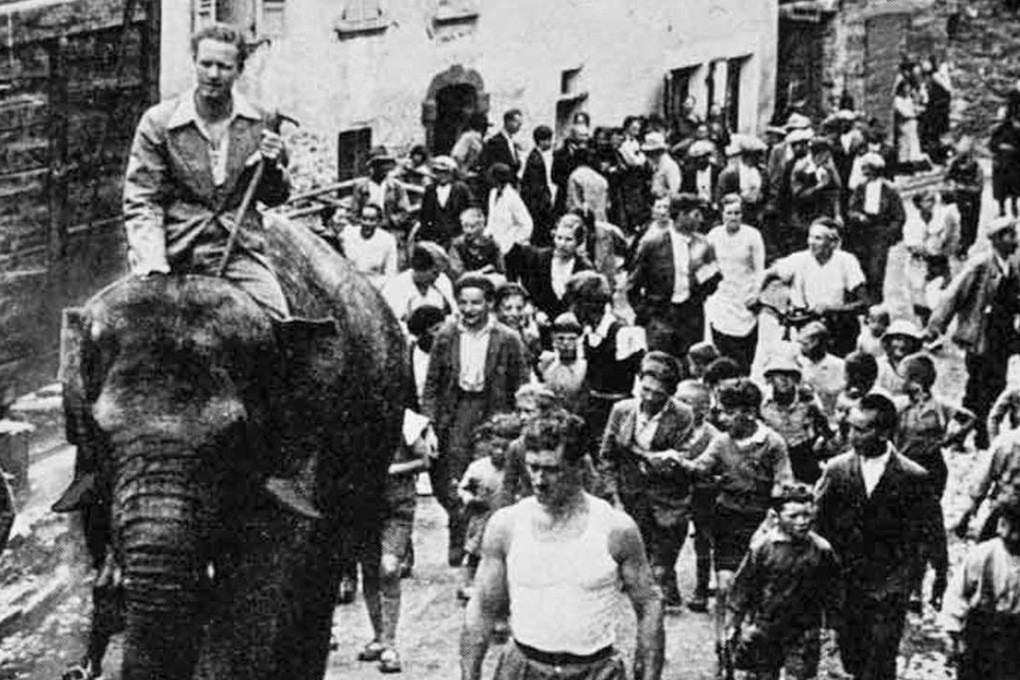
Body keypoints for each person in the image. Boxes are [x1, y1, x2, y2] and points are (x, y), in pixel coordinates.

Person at [460, 411, 665, 680]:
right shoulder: (507, 525)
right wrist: (469, 675)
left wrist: (649, 674)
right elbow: (482, 607)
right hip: (522, 667)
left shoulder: (615, 528)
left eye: (551, 470)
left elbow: (649, 604)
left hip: (595, 670)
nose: (538, 480)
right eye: (533, 467)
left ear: (580, 467)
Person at [123, 23, 294, 320]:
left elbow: (275, 196)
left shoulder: (260, 121)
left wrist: (273, 165)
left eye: (224, 67)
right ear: (195, 62)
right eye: (206, 64)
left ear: (239, 70)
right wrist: (153, 262)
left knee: (278, 322)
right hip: (175, 252)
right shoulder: (159, 122)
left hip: (239, 251)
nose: (213, 74)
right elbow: (142, 200)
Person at [815, 394, 948, 680]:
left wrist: (938, 573)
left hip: (890, 582)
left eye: (861, 429)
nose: (851, 436)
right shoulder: (837, 470)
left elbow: (931, 529)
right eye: (850, 427)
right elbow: (818, 524)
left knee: (881, 656)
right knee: (851, 655)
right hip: (847, 581)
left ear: (884, 433)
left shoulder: (913, 476)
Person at [676, 379, 793, 671]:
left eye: (728, 412)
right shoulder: (721, 442)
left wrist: (775, 510)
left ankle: (752, 649)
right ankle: (723, 647)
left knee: (756, 592)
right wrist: (676, 462)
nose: (721, 417)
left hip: (760, 523)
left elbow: (784, 482)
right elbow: (701, 467)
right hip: (727, 521)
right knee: (726, 587)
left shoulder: (772, 443)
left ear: (749, 413)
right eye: (720, 410)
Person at [423, 274, 529, 566]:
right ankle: (458, 534)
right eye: (463, 303)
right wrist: (430, 424)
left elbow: (521, 384)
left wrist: (518, 422)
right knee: (454, 478)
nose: (468, 309)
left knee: (489, 477)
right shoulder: (446, 335)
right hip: (457, 412)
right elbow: (432, 384)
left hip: (494, 413)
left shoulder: (507, 338)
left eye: (475, 303)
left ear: (489, 304)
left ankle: (485, 545)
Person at [599, 351, 696, 607]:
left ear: (670, 393)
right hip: (631, 496)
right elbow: (607, 457)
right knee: (635, 558)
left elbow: (686, 457)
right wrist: (614, 497)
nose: (650, 397)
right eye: (646, 389)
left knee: (662, 562)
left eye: (659, 393)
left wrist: (667, 461)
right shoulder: (621, 410)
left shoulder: (683, 415)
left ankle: (662, 591)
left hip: (667, 500)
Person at [725, 483, 841, 680]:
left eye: (807, 514)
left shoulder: (821, 550)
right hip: (767, 627)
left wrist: (832, 628)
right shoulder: (763, 548)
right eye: (793, 516)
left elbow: (833, 591)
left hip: (804, 630)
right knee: (763, 673)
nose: (802, 521)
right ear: (777, 517)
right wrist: (734, 625)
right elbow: (743, 587)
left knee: (800, 675)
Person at [927, 216, 1020, 450]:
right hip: (981, 335)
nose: (1016, 240)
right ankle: (963, 433)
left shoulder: (1011, 265)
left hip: (1002, 336)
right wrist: (936, 326)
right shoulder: (980, 264)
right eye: (1011, 235)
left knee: (995, 384)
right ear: (997, 239)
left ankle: (980, 433)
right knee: (977, 387)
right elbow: (953, 294)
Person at [354, 411, 436, 674]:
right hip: (365, 505)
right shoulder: (355, 417)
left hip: (397, 507)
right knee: (369, 569)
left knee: (388, 569)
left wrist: (390, 470)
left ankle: (390, 644)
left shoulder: (405, 420)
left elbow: (425, 460)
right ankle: (379, 637)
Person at [628, 193, 722, 358]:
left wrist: (699, 292)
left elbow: (713, 279)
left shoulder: (704, 244)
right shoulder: (653, 244)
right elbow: (633, 286)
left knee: (689, 364)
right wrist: (647, 315)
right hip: (660, 317)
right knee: (660, 363)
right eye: (696, 215)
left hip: (691, 318)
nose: (701, 220)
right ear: (681, 215)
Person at [761, 218, 868, 357]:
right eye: (810, 237)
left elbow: (864, 302)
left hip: (835, 328)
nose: (811, 242)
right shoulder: (798, 259)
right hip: (803, 326)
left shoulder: (846, 261)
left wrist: (831, 308)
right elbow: (769, 274)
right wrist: (757, 296)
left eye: (818, 238)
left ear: (833, 243)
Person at [566, 271, 645, 453]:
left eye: (576, 304)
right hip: (593, 410)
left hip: (618, 413)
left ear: (590, 305)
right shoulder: (587, 333)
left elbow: (640, 379)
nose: (572, 310)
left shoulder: (623, 333)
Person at [943, 497, 1020, 680]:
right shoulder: (984, 553)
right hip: (981, 630)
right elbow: (957, 594)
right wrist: (954, 634)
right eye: (1008, 524)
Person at [457, 414, 522, 602]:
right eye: (495, 446)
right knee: (473, 552)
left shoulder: (516, 470)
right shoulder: (478, 467)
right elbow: (463, 488)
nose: (499, 452)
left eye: (505, 448)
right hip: (482, 517)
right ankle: (467, 584)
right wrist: (469, 499)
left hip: (506, 518)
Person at [896, 352, 974, 498]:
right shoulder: (899, 404)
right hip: (903, 465)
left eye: (902, 377)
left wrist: (952, 439)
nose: (898, 381)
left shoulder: (939, 405)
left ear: (915, 381)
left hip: (930, 467)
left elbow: (970, 419)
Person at [672, 379, 720, 612]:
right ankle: (669, 586)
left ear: (703, 409)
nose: (677, 406)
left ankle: (701, 588)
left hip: (704, 494)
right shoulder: (671, 430)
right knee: (671, 538)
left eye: (685, 402)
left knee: (704, 540)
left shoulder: (714, 436)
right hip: (674, 493)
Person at [705, 195, 766, 373]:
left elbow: (759, 269)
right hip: (722, 297)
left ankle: (744, 377)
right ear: (722, 214)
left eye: (737, 213)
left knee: (745, 350)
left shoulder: (753, 235)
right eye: (729, 213)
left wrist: (756, 294)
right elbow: (707, 265)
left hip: (745, 296)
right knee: (723, 345)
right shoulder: (714, 235)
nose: (733, 217)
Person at [505, 213, 594, 326]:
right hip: (539, 322)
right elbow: (529, 293)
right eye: (559, 238)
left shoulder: (584, 267)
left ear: (578, 242)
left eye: (568, 240)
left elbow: (586, 302)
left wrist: (572, 315)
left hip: (570, 326)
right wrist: (536, 312)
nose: (562, 244)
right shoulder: (539, 259)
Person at [760, 354, 833, 484]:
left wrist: (820, 441)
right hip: (773, 456)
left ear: (795, 378)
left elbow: (825, 428)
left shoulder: (808, 398)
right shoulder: (762, 399)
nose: (784, 380)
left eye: (789, 375)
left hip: (803, 455)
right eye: (779, 375)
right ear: (771, 378)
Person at [845, 152, 906, 303]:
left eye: (867, 167)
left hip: (880, 231)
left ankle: (876, 302)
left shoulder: (889, 189)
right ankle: (863, 302)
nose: (864, 171)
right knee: (862, 268)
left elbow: (899, 215)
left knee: (876, 271)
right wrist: (858, 216)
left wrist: (889, 233)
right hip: (863, 232)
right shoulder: (860, 188)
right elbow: (851, 209)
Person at [901, 188, 958, 325]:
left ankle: (941, 324)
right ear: (919, 204)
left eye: (933, 200)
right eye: (927, 200)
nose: (931, 203)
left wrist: (943, 249)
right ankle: (925, 323)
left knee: (944, 294)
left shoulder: (941, 217)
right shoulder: (912, 222)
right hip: (920, 264)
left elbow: (950, 238)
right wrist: (925, 250)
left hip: (939, 262)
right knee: (920, 296)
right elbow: (911, 245)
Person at [954, 430, 1020, 541]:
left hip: (1006, 507)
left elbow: (983, 478)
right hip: (1007, 507)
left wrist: (968, 513)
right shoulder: (1008, 441)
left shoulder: (1007, 440)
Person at [382, 242, 456, 329]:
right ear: (420, 268)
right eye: (434, 272)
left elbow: (454, 313)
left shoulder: (442, 281)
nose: (437, 277)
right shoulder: (395, 287)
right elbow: (391, 322)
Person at [351, 146, 412, 238]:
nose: (384, 168)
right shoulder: (362, 187)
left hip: (390, 229)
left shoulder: (396, 187)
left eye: (386, 164)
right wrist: (366, 223)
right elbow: (354, 213)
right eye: (380, 165)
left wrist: (390, 220)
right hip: (366, 229)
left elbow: (404, 211)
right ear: (373, 167)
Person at [417, 155, 475, 251]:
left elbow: (470, 211)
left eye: (445, 172)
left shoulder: (461, 189)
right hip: (435, 239)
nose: (442, 176)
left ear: (452, 173)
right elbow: (424, 216)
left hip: (457, 238)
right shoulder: (430, 191)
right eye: (438, 172)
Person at [538, 313, 589, 415]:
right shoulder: (547, 363)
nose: (565, 343)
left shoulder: (585, 366)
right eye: (561, 338)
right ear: (554, 340)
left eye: (571, 339)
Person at [340, 203, 398, 290]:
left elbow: (391, 274)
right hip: (347, 284)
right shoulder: (348, 234)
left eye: (372, 220)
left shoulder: (388, 240)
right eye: (364, 219)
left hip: (373, 287)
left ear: (379, 221)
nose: (367, 223)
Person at [795, 321, 846, 418]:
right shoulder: (797, 364)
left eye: (806, 344)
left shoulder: (839, 366)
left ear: (819, 343)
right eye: (802, 344)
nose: (802, 348)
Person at [945, 137, 984, 258]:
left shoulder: (976, 167)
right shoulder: (954, 164)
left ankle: (966, 248)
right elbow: (947, 178)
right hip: (957, 199)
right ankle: (958, 247)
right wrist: (950, 185)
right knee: (957, 224)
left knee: (970, 225)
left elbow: (978, 187)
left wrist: (961, 187)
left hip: (972, 200)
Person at [717, 135, 767, 228]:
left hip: (756, 214)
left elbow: (766, 192)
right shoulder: (730, 173)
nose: (760, 158)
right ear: (748, 156)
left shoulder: (761, 172)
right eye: (758, 155)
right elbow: (721, 198)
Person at [485, 163, 533, 256]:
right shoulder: (493, 193)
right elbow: (491, 220)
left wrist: (514, 243)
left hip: (511, 249)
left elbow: (527, 225)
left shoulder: (512, 198)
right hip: (496, 245)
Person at [521, 125, 556, 246]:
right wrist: (546, 202)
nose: (550, 143)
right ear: (541, 141)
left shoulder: (535, 156)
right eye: (549, 140)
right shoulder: (536, 159)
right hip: (537, 205)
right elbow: (537, 187)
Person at [448, 207, 505, 280]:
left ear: (482, 227)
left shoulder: (493, 245)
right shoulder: (457, 245)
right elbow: (459, 274)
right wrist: (481, 272)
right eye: (465, 226)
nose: (468, 230)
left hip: (489, 282)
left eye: (472, 227)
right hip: (465, 283)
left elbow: (500, 272)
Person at [480, 109, 524, 187]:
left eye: (520, 123)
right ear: (508, 122)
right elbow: (488, 166)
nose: (519, 126)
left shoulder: (512, 143)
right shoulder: (494, 142)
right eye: (517, 122)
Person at [681, 140, 721, 224]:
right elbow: (684, 192)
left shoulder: (718, 171)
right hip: (696, 209)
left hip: (714, 209)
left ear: (708, 156)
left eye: (703, 157)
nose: (700, 160)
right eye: (697, 159)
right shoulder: (689, 173)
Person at [566, 147, 610, 222]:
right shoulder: (601, 179)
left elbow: (574, 202)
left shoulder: (575, 176)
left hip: (584, 220)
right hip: (601, 220)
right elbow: (608, 205)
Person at [990, 111, 1020, 218]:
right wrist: (1000, 146)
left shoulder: (1017, 131)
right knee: (1001, 189)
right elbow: (992, 145)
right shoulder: (997, 131)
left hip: (1013, 163)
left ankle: (1014, 206)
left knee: (1014, 187)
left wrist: (1012, 149)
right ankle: (1001, 208)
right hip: (1001, 164)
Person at [452, 112, 490, 194]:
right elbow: (456, 155)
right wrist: (463, 169)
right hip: (468, 175)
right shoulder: (468, 137)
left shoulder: (481, 139)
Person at [894, 79, 927, 172]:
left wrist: (918, 110)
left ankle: (914, 163)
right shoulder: (897, 100)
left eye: (908, 88)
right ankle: (903, 164)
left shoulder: (909, 98)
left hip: (912, 124)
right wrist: (914, 114)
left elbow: (914, 107)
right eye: (905, 88)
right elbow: (902, 112)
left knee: (913, 143)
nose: (907, 90)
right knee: (904, 143)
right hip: (904, 124)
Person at [643, 132, 682, 200]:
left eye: (651, 153)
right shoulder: (655, 165)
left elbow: (674, 191)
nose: (649, 156)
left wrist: (663, 192)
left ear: (660, 151)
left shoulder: (670, 166)